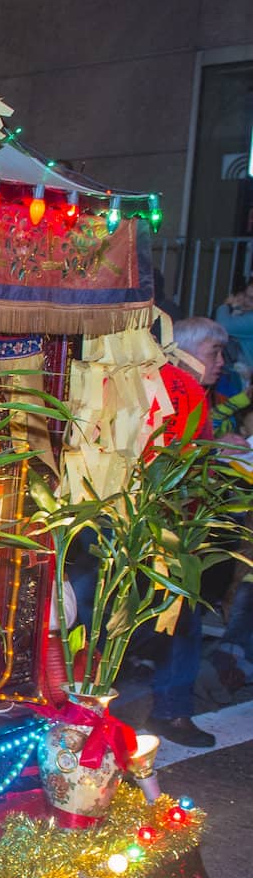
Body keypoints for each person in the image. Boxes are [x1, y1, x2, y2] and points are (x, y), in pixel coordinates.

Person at [143, 316, 246, 745]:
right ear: (183, 352)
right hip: (155, 526)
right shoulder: (166, 389)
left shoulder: (194, 392)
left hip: (182, 525)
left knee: (185, 617)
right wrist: (211, 452)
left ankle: (171, 708)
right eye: (213, 353)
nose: (220, 362)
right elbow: (156, 456)